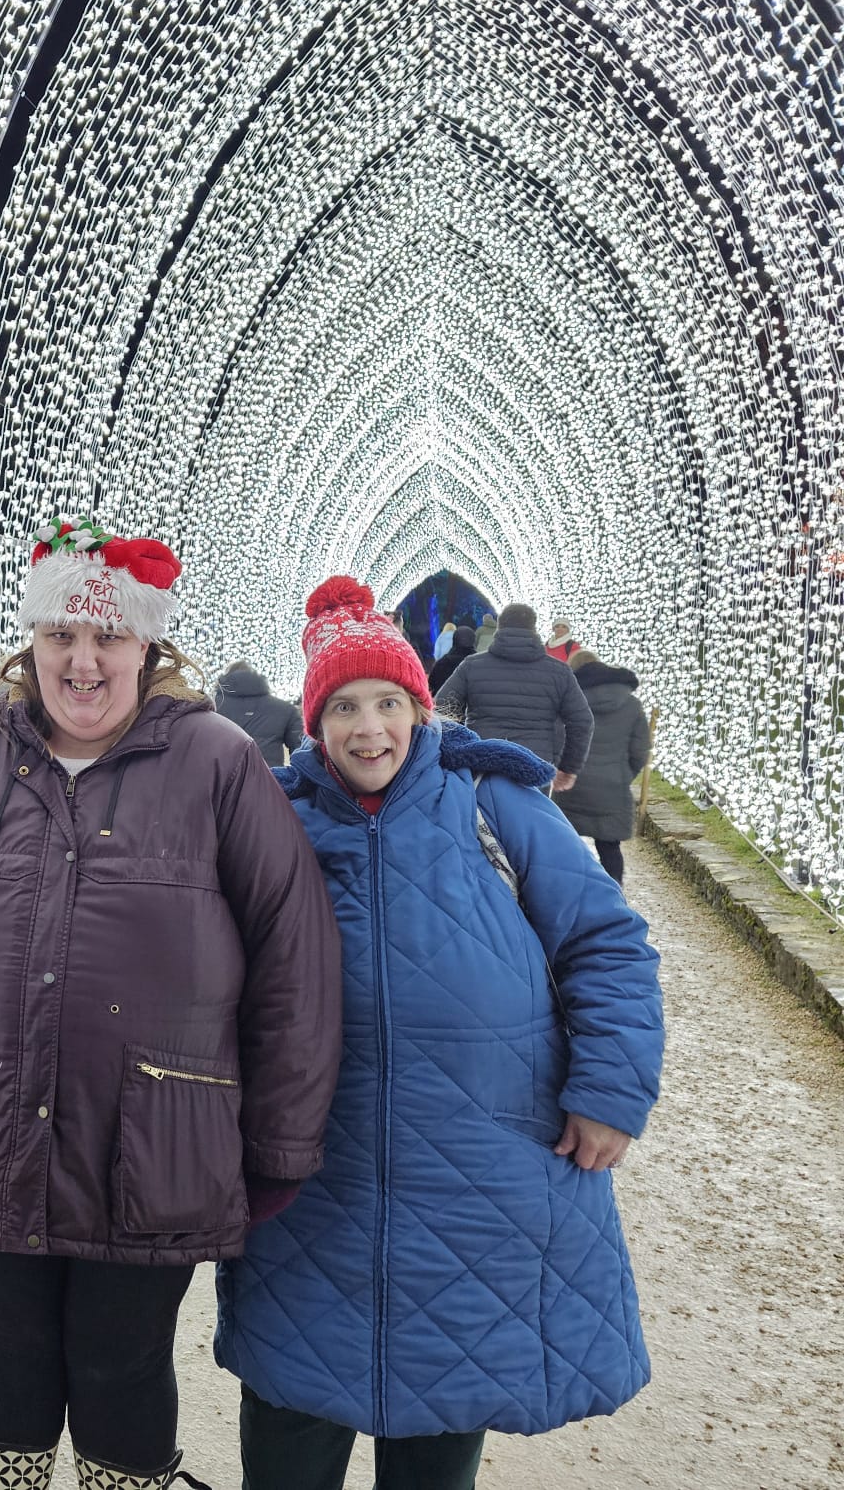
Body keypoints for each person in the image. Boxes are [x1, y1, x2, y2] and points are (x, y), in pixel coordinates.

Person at [0, 515, 342, 1490]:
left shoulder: (217, 764)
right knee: (7, 1353)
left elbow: (293, 961)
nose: (80, 661)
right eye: (58, 636)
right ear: (26, 643)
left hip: (153, 1144)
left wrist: (279, 1147)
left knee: (121, 1366)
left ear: (145, 643)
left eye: (105, 636)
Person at [216, 576, 664, 1490]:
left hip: (476, 1191)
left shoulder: (495, 806)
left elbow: (607, 943)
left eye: (387, 702)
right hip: (314, 1191)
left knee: (441, 1425)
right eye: (343, 707)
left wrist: (611, 1089)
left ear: (422, 709)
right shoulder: (273, 820)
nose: (368, 728)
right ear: (314, 723)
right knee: (290, 1427)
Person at [432, 602, 593, 793]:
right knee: (530, 822)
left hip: (483, 763)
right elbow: (582, 721)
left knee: (479, 821)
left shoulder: (472, 665)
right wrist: (568, 767)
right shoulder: (559, 672)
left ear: (500, 627)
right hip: (535, 767)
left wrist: (458, 750)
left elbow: (441, 708)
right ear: (534, 628)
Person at [554, 652, 652, 885]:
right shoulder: (631, 704)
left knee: (567, 845)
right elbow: (640, 750)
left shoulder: (567, 699)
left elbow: (556, 739)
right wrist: (624, 775)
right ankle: (615, 897)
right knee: (609, 848)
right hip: (612, 786)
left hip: (572, 785)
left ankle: (569, 894)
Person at [212, 660, 305, 765]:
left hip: (221, 778)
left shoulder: (209, 709)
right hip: (268, 778)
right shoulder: (285, 710)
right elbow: (302, 753)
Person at [425, 624, 475, 694]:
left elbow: (431, 683)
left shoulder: (442, 663)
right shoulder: (479, 663)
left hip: (445, 702)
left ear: (454, 640)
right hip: (473, 703)